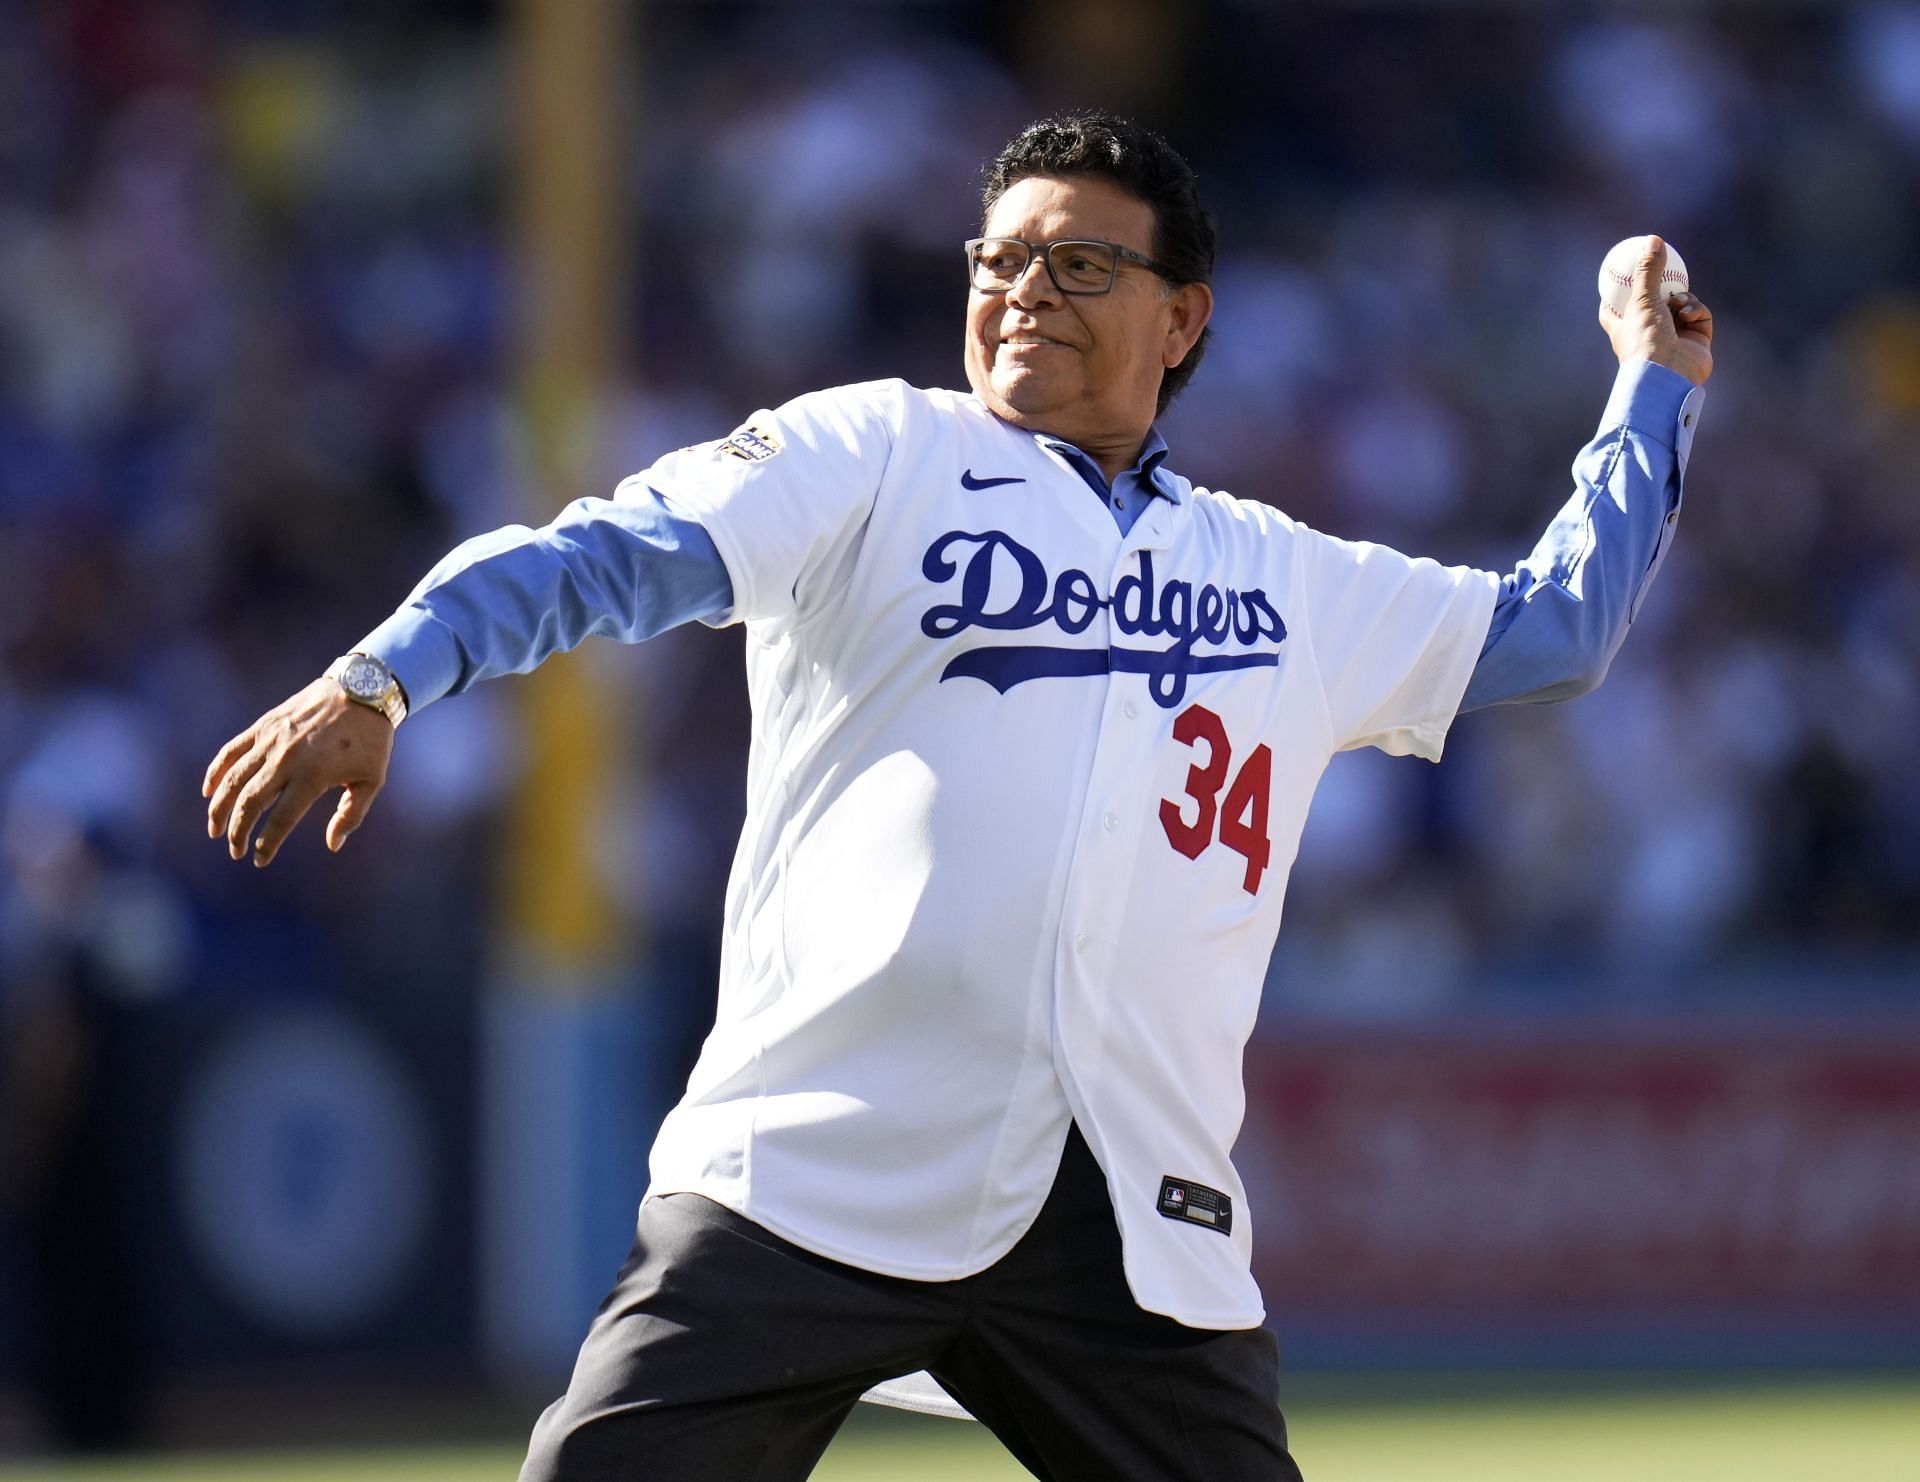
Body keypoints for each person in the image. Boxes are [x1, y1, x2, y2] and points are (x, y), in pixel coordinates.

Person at [203, 112, 1712, 1481]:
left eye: (1079, 263)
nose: (1024, 291)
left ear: (1182, 317)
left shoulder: (1282, 570)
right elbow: (607, 550)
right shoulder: (878, 452)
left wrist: (1656, 389)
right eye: (999, 258)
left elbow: (1552, 631)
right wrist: (385, 674)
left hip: (1124, 1211)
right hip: (820, 1160)